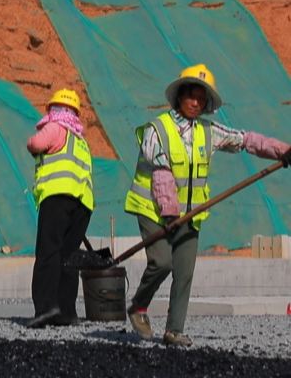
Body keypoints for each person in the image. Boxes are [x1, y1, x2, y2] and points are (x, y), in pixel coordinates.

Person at [124, 64, 291, 346]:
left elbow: (247, 140)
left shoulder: (208, 132)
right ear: (179, 96)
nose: (195, 102)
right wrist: (169, 216)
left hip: (190, 214)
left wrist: (283, 151)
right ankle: (139, 306)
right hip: (153, 209)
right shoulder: (157, 130)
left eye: (201, 99)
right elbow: (162, 177)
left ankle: (173, 330)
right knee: (162, 263)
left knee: (185, 271)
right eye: (191, 96)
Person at [25, 89, 93, 328]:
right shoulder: (81, 141)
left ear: (56, 110)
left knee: (48, 253)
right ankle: (66, 312)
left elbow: (37, 143)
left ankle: (45, 307)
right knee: (67, 257)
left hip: (57, 198)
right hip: (82, 204)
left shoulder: (56, 127)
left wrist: (30, 143)